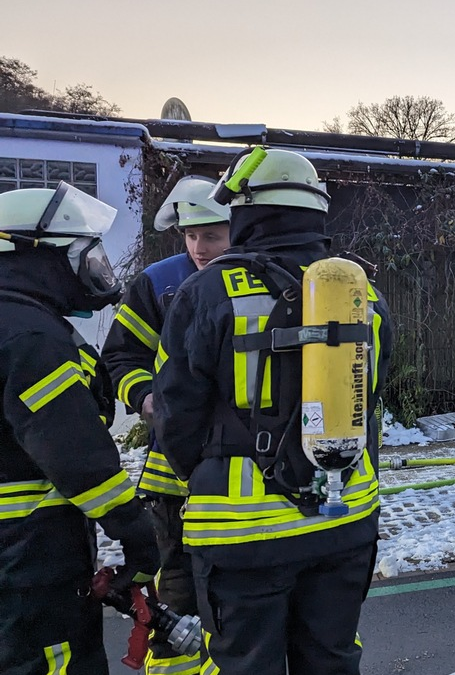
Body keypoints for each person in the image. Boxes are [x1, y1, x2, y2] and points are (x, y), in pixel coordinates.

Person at [153, 148, 392, 674]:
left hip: (243, 534)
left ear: (246, 212)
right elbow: (369, 394)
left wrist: (211, 469)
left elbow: (175, 413)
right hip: (344, 519)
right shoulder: (361, 293)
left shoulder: (206, 291)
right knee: (330, 661)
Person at [0, 182, 160, 674]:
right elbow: (77, 456)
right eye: (80, 253)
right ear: (37, 258)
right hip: (28, 557)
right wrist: (138, 533)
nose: (92, 266)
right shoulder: (32, 338)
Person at [101, 175, 230, 675]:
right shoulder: (160, 282)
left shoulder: (266, 281)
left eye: (212, 235)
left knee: (235, 592)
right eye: (190, 235)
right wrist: (145, 396)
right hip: (170, 476)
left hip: (241, 472)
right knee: (175, 591)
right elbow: (121, 354)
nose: (199, 247)